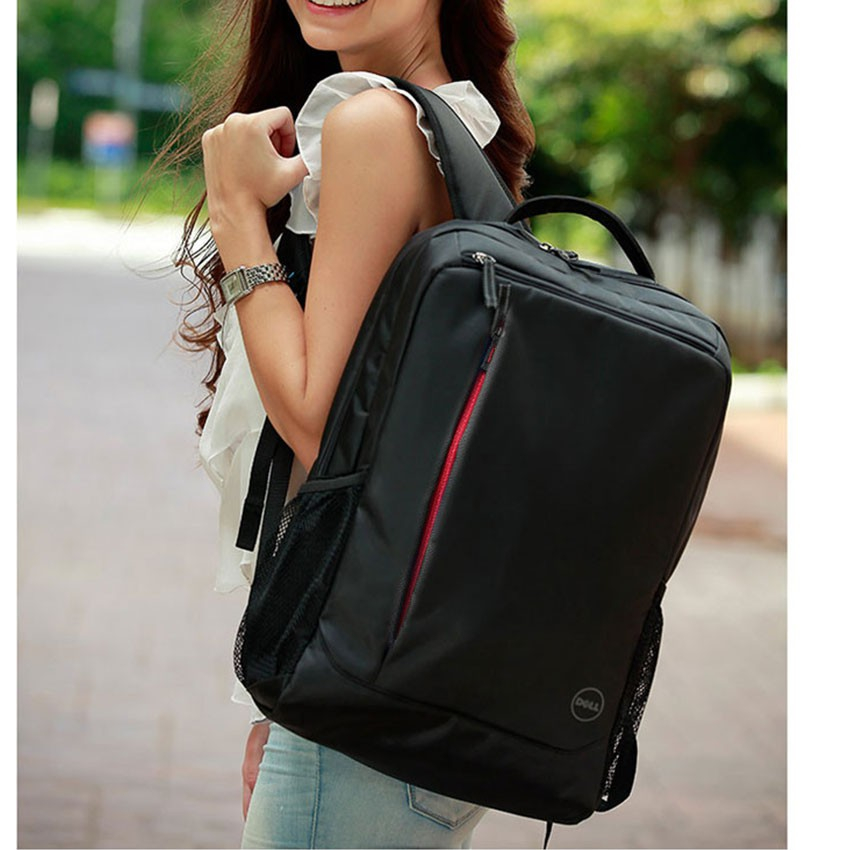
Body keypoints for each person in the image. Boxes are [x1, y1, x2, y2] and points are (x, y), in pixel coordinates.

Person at [153, 0, 536, 846]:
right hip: (401, 680)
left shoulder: (375, 125)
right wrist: (281, 701)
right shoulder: (456, 125)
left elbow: (319, 430)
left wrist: (237, 209)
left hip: (365, 692)